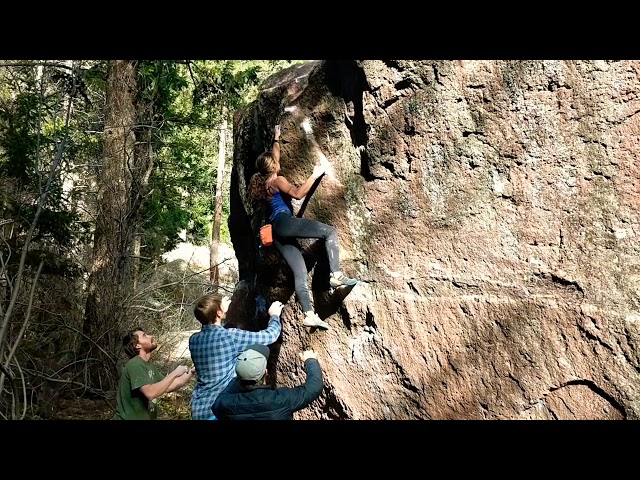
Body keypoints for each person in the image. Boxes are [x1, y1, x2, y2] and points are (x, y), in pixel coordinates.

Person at [247, 123, 357, 331]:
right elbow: (298, 194)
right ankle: (335, 275)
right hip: (284, 223)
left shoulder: (264, 183)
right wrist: (316, 174)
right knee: (329, 232)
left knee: (300, 271)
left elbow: (275, 157)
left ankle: (309, 314)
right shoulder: (277, 180)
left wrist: (276, 137)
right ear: (273, 167)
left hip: (277, 234)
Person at [189, 293, 284, 420]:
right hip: (220, 409)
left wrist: (221, 313)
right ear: (218, 312)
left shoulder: (194, 340)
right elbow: (270, 336)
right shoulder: (230, 337)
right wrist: (274, 316)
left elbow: (213, 333)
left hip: (199, 409)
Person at [212, 344, 323, 420]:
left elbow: (219, 400)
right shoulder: (280, 400)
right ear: (266, 373)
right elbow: (314, 387)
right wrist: (311, 360)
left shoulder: (223, 405)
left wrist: (243, 372)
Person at [113, 328, 195, 420]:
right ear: (137, 345)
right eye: (144, 336)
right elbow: (150, 393)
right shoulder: (135, 364)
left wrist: (192, 372)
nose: (151, 336)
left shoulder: (149, 366)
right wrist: (175, 373)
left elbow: (168, 386)